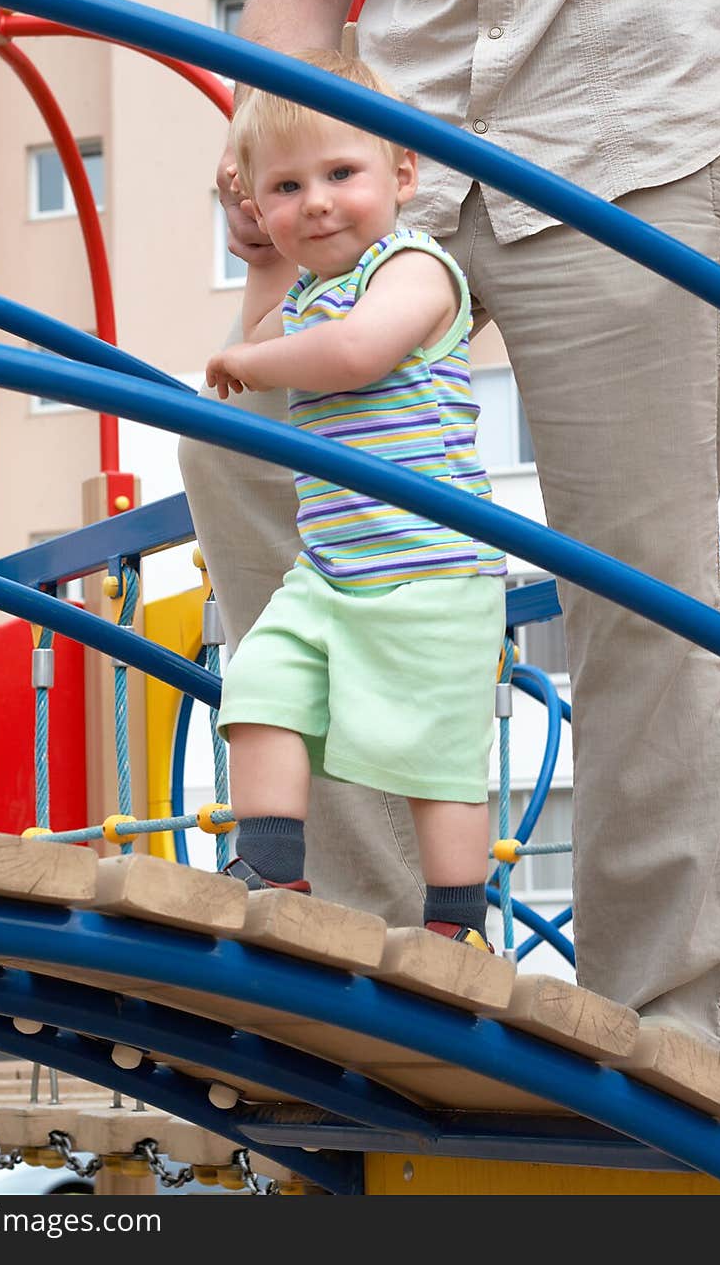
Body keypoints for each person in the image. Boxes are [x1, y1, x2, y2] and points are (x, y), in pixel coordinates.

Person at [178, 0, 720, 1046]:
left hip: (637, 142)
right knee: (244, 457)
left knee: (640, 574)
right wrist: (262, 143)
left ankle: (668, 1012)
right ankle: (364, 943)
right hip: (392, 154)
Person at [205, 51, 506, 951]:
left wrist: (249, 363)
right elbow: (271, 331)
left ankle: (456, 925)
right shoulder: (307, 291)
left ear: (402, 174)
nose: (320, 202)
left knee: (437, 763)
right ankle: (272, 867)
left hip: (432, 573)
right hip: (332, 572)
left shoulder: (417, 268)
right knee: (256, 689)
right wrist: (261, 260)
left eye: (342, 174)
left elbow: (353, 356)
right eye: (288, 189)